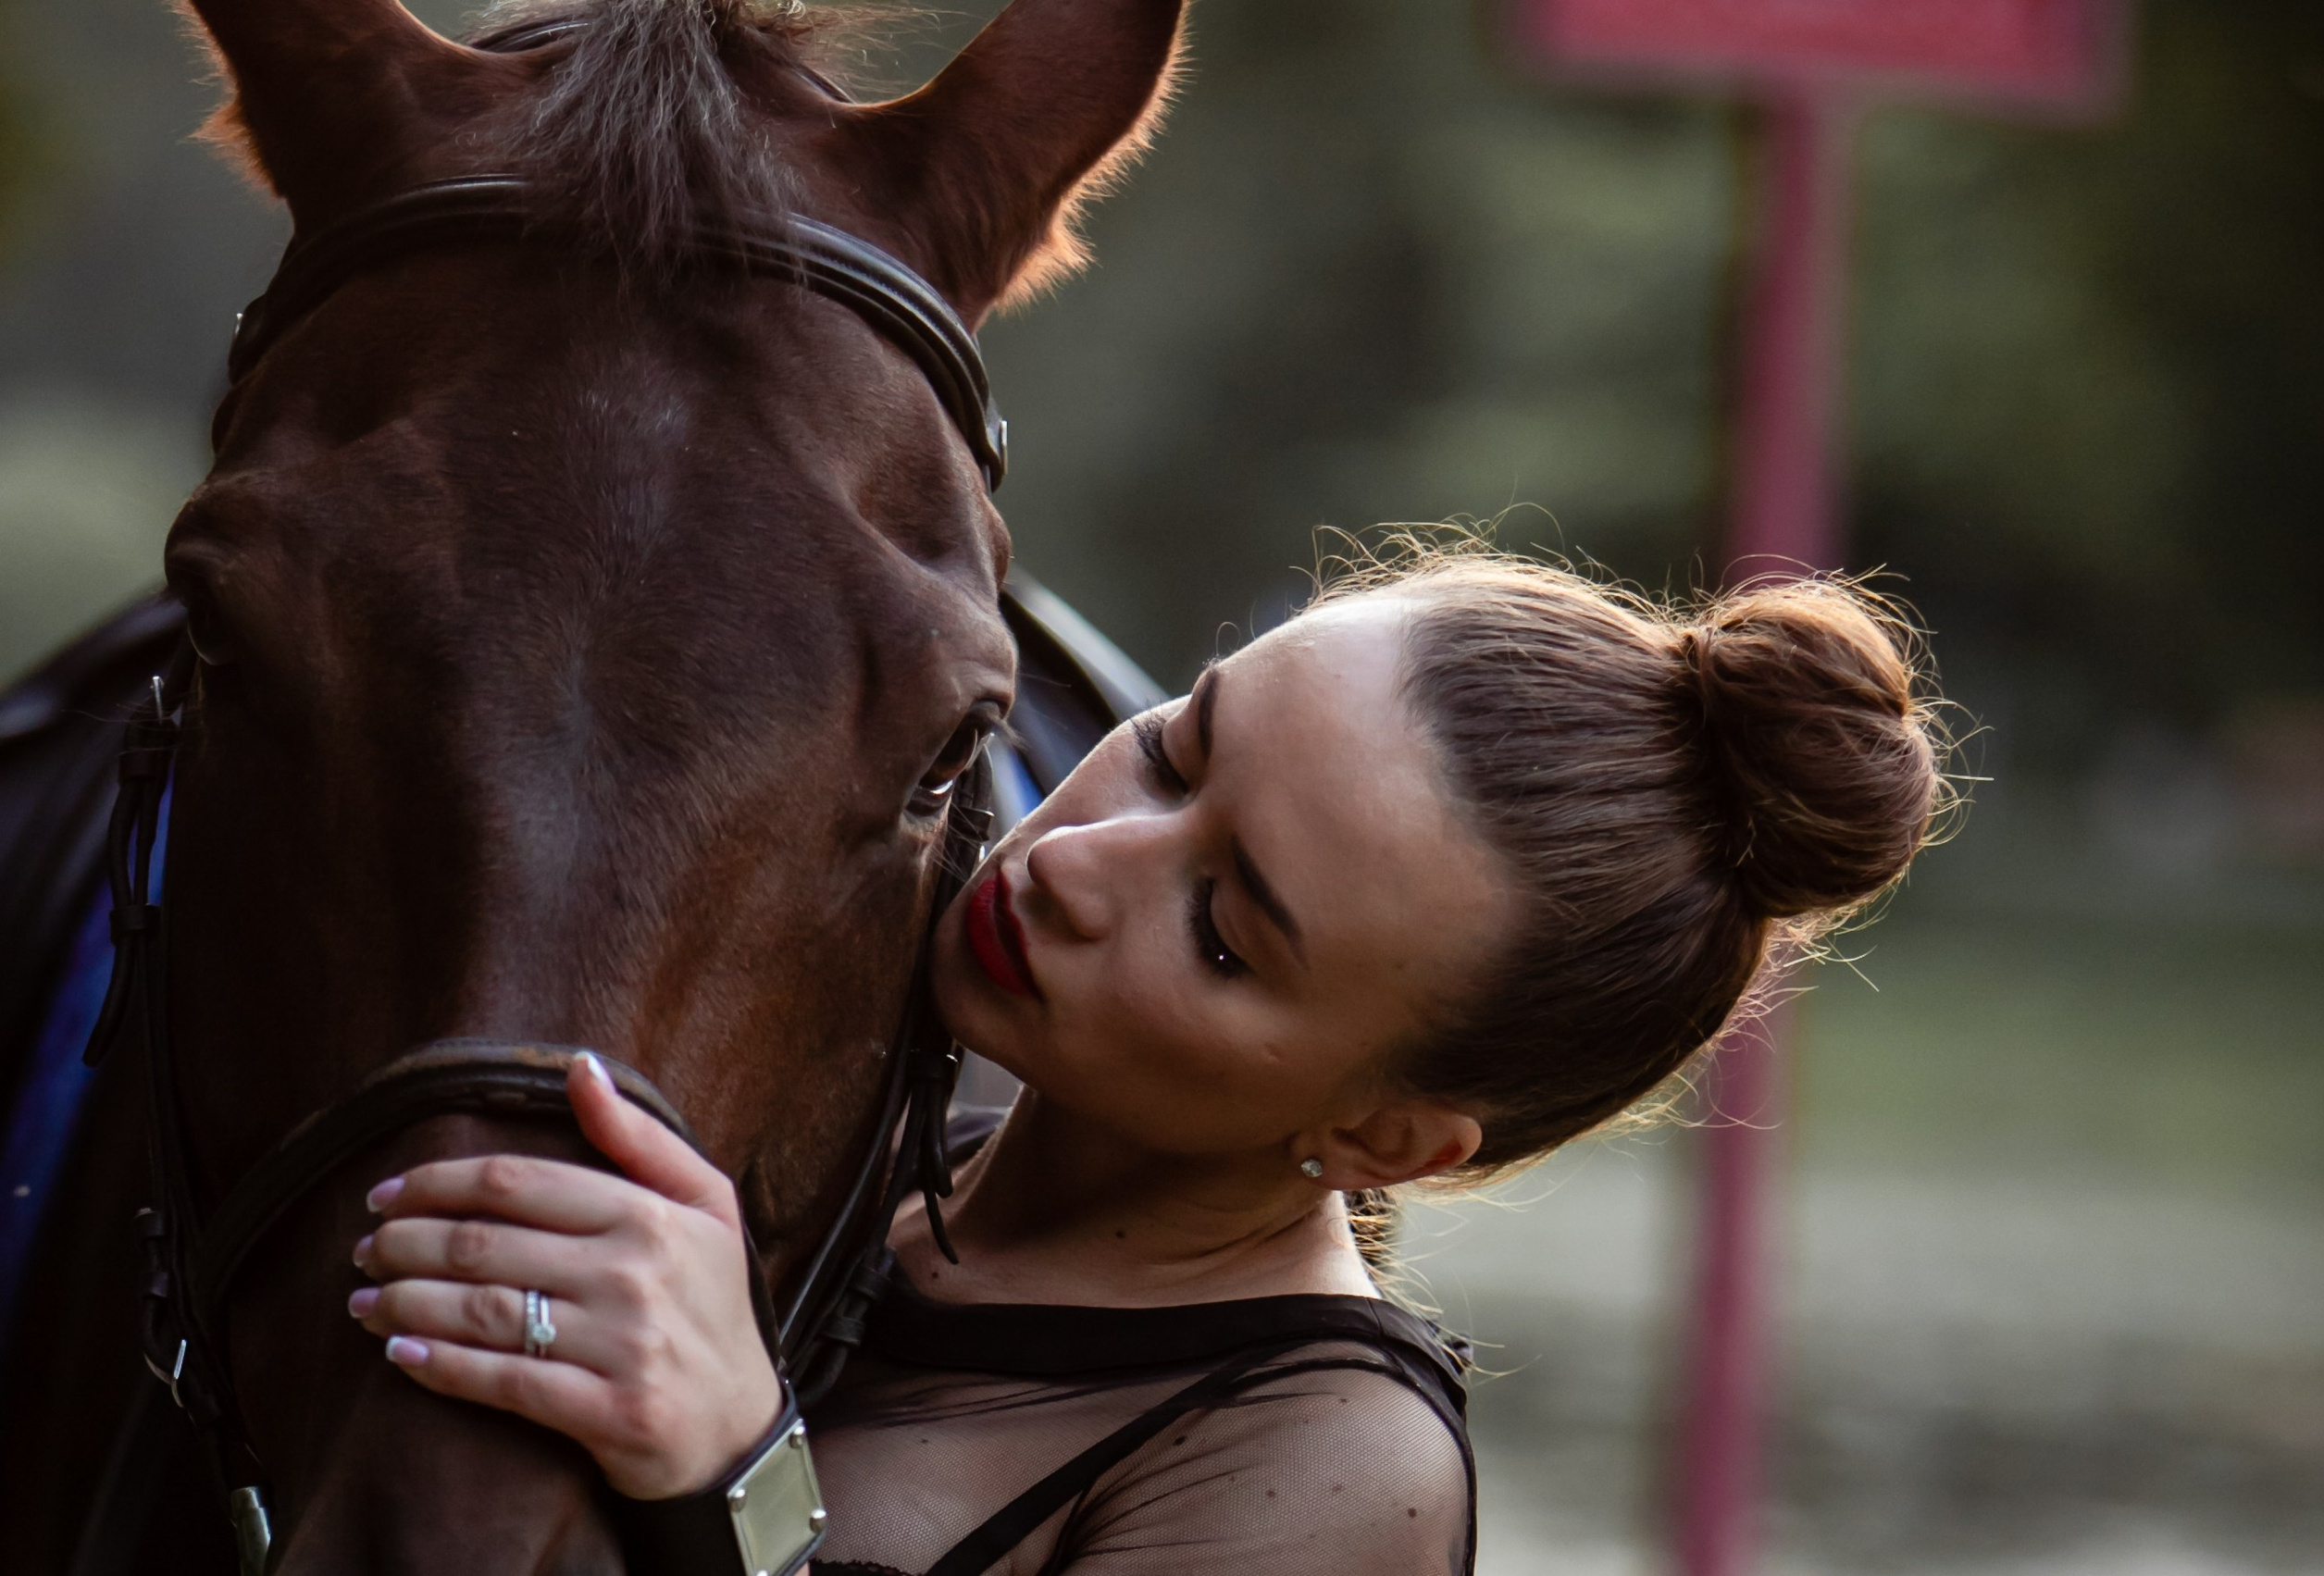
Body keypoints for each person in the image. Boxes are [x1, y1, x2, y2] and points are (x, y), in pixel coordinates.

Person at [342, 545, 1952, 1574]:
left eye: (1227, 934)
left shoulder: (1329, 1466)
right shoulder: (856, 1083)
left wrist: (734, 1479)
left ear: (1389, 1138)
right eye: (1178, 746)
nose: (1079, 861)